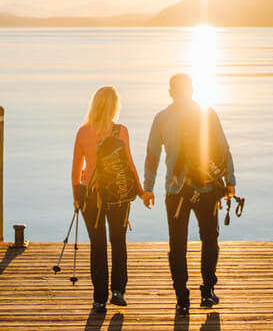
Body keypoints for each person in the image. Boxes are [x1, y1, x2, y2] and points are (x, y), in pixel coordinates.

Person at [143, 74, 236, 315]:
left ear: (170, 92)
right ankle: (207, 292)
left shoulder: (162, 118)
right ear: (192, 90)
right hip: (207, 188)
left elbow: (152, 155)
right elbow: (223, 149)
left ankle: (182, 298)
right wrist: (230, 182)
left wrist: (148, 187)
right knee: (210, 239)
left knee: (177, 244)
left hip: (176, 191)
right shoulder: (207, 113)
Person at [71, 86, 151, 313]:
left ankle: (98, 299)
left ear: (94, 105)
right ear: (115, 106)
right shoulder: (121, 131)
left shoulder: (83, 132)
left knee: (97, 246)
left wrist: (77, 198)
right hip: (118, 195)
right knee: (118, 241)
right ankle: (118, 291)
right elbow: (129, 163)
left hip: (91, 195)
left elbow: (77, 169)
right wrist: (141, 191)